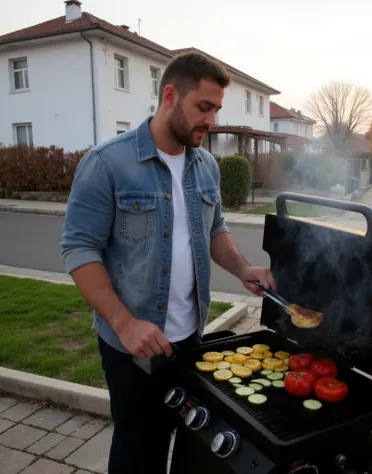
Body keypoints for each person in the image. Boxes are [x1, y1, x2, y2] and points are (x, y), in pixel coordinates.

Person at [60, 52, 277, 473]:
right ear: (170, 96)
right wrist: (125, 324)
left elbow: (215, 233)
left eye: (216, 109)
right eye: (204, 107)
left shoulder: (206, 166)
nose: (211, 120)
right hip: (131, 346)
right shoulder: (108, 163)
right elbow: (78, 249)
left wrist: (244, 269)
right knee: (138, 446)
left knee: (190, 437)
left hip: (191, 338)